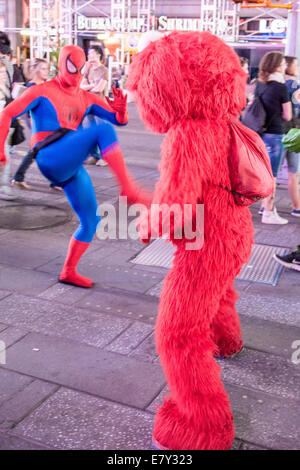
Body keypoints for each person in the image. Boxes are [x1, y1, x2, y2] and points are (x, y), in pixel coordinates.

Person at [0, 44, 150, 288]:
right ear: (61, 64)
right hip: (49, 155)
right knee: (101, 129)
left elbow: (118, 120)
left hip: (70, 166)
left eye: (81, 69)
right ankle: (129, 189)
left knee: (90, 220)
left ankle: (68, 271)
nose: (77, 74)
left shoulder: (87, 97)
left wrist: (122, 112)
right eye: (72, 67)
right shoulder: (42, 91)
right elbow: (7, 114)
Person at [256, 51, 292, 224]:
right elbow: (288, 115)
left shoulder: (260, 84)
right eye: (284, 63)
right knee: (272, 176)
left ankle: (265, 207)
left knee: (265, 173)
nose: (285, 66)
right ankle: (268, 213)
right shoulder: (281, 87)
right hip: (276, 135)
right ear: (277, 65)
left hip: (261, 134)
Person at [12, 59, 50, 190]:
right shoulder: (32, 87)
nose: (47, 71)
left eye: (47, 68)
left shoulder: (44, 85)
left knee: (40, 151)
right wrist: (32, 123)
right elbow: (27, 108)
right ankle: (18, 177)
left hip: (48, 122)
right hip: (38, 123)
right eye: (44, 68)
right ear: (35, 70)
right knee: (36, 150)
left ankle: (19, 177)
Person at [81, 45, 108, 166]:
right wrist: (91, 85)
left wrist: (89, 87)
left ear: (98, 55)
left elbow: (100, 88)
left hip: (99, 105)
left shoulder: (104, 70)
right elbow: (81, 86)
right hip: (89, 104)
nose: (89, 56)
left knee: (101, 131)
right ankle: (94, 155)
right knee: (91, 130)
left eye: (92, 53)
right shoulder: (88, 70)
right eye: (88, 54)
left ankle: (105, 158)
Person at [284, 56, 300, 217]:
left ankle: (265, 207)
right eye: (296, 64)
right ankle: (297, 207)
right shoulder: (295, 85)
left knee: (272, 173)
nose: (298, 67)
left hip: (278, 130)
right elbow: (296, 109)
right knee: (294, 172)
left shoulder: (275, 83)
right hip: (293, 132)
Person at [0, 60, 15, 200]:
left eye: (4, 72)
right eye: (1, 72)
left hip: (4, 129)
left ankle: (4, 185)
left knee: (6, 157)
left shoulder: (4, 87)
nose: (4, 75)